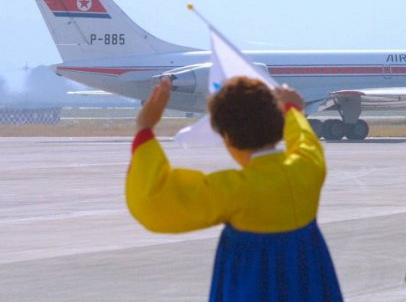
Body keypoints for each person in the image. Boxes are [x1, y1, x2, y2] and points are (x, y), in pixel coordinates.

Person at [126, 76, 343, 301]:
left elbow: (154, 199)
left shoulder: (232, 189)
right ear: (279, 125)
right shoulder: (307, 167)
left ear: (226, 136)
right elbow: (305, 140)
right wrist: (292, 109)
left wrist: (144, 128)